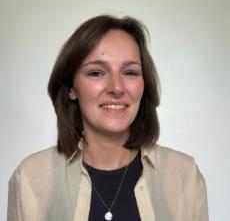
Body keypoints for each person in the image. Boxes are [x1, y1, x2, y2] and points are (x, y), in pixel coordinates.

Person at [7, 15, 209, 221]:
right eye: (96, 73)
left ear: (144, 84)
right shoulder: (29, 179)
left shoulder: (186, 175)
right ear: (71, 88)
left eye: (130, 72)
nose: (117, 88)